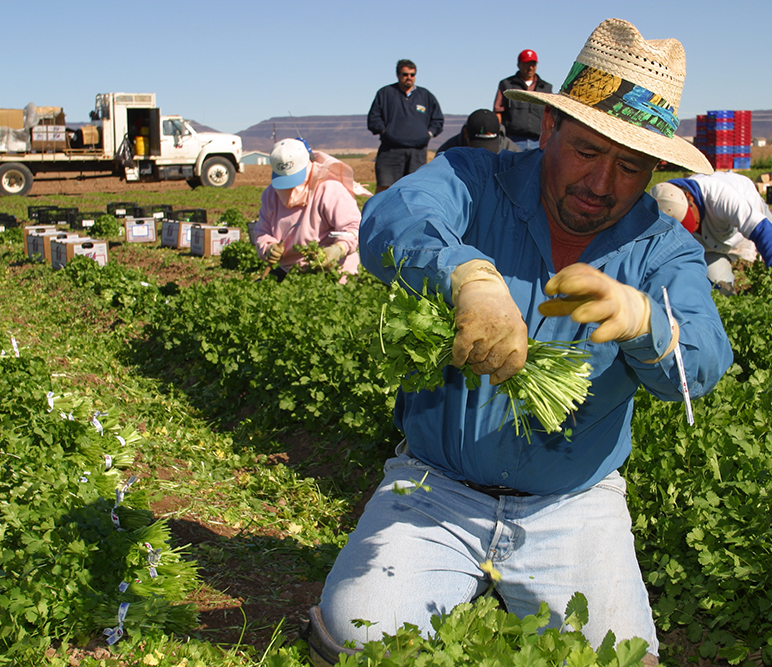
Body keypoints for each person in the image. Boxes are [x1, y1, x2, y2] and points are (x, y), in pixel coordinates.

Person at [307, 19, 733, 667]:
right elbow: (388, 219)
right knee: (358, 637)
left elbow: (702, 359)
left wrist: (646, 319)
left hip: (574, 502)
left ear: (654, 170)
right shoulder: (474, 179)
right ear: (552, 128)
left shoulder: (661, 246)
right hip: (435, 488)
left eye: (631, 166)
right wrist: (466, 275)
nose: (602, 184)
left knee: (619, 659)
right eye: (588, 151)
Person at [650, 172, 772, 296]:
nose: (691, 230)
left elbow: (765, 233)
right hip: (710, 247)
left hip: (746, 221)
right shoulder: (655, 219)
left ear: (690, 197)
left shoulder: (719, 196)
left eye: (689, 222)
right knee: (719, 291)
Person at [253, 138, 361, 281]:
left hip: (335, 270)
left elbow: (354, 228)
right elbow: (262, 232)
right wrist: (268, 248)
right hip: (291, 271)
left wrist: (338, 249)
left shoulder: (329, 188)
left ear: (308, 166)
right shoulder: (271, 194)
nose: (290, 188)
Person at [367, 59, 444, 193]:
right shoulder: (385, 93)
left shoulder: (425, 96)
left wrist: (428, 134)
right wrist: (385, 132)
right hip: (390, 151)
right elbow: (374, 119)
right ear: (398, 75)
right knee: (386, 188)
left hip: (417, 152)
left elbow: (437, 120)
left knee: (416, 188)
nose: (409, 78)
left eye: (412, 75)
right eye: (405, 74)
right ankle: (380, 213)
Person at [493, 49, 552, 150]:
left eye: (533, 64)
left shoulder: (545, 88)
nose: (530, 68)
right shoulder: (507, 84)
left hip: (538, 140)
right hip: (513, 140)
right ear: (519, 65)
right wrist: (499, 133)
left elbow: (551, 114)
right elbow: (498, 111)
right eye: (527, 64)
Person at [435, 108, 521, 155]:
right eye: (477, 147)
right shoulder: (447, 152)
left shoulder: (512, 152)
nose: (482, 154)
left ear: (499, 132)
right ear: (466, 133)